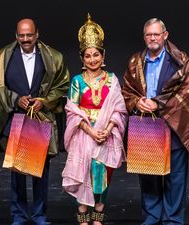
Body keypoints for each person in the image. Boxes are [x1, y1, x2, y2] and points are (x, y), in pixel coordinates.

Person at [0, 18, 69, 225]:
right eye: (22, 35)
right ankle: (18, 215)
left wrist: (44, 101)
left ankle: (40, 215)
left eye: (29, 35)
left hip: (40, 120)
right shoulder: (4, 56)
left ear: (37, 34)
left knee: (41, 171)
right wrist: (16, 99)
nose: (26, 39)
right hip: (16, 119)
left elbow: (61, 85)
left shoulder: (52, 57)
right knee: (18, 173)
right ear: (16, 35)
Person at [121, 18, 189, 225]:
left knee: (175, 178)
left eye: (156, 34)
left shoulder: (181, 60)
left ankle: (173, 220)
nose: (153, 38)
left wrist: (158, 104)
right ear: (144, 37)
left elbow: (184, 92)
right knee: (149, 177)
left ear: (165, 35)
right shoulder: (135, 62)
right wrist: (137, 102)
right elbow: (126, 90)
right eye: (149, 34)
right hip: (146, 125)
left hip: (173, 126)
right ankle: (152, 217)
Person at [62, 14, 128, 225]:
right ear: (82, 58)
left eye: (96, 55)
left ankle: (98, 216)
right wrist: (90, 131)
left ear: (103, 55)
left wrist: (107, 130)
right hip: (83, 134)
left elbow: (119, 109)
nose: (92, 60)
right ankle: (83, 216)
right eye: (88, 56)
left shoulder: (112, 80)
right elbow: (72, 110)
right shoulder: (77, 81)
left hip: (105, 136)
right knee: (82, 174)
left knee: (102, 178)